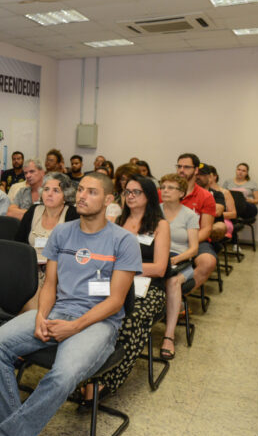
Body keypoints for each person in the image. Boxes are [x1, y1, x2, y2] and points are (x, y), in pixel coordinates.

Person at [0, 173, 140, 436]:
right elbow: (50, 285)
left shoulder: (123, 240)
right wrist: (41, 316)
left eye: (92, 192)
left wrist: (74, 327)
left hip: (98, 323)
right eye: (80, 190)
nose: (82, 196)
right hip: (58, 311)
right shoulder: (62, 232)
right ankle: (16, 434)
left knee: (62, 375)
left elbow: (116, 301)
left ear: (108, 200)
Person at [83, 175, 169, 402]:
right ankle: (84, 371)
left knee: (130, 319)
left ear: (148, 195)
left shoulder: (160, 225)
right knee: (90, 309)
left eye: (136, 192)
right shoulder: (115, 221)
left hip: (148, 288)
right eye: (127, 192)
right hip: (115, 282)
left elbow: (160, 268)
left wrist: (124, 268)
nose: (130, 196)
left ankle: (107, 380)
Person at [15, 172, 79, 311]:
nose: (49, 194)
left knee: (34, 302)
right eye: (46, 189)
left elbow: (75, 251)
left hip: (58, 273)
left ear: (65, 195)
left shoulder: (72, 215)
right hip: (29, 270)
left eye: (56, 190)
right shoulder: (33, 211)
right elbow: (18, 244)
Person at [159, 173, 199, 360]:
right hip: (159, 258)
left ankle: (169, 336)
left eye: (170, 188)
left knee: (173, 281)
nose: (165, 191)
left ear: (181, 193)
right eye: (163, 187)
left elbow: (194, 249)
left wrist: (175, 260)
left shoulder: (190, 215)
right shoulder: (154, 211)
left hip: (182, 262)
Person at [174, 153, 217, 288]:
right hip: (167, 238)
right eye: (179, 166)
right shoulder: (165, 192)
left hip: (196, 239)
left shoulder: (206, 196)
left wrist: (187, 241)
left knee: (208, 262)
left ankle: (179, 292)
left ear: (196, 170)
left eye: (186, 167)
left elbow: (206, 229)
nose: (181, 170)